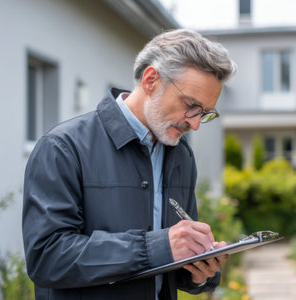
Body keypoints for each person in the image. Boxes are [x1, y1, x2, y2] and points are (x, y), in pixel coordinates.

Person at [22, 29, 236, 300]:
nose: (194, 123)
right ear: (151, 80)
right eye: (191, 105)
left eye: (204, 113)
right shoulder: (63, 147)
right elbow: (46, 258)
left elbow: (167, 263)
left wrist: (197, 270)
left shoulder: (181, 155)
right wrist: (156, 247)